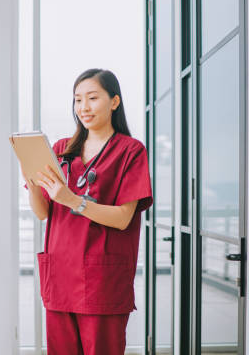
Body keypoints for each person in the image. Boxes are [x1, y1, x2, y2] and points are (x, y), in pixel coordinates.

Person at [22, 68, 153, 354]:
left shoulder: (131, 151)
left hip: (102, 280)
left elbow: (122, 219)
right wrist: (32, 183)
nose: (84, 107)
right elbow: (44, 213)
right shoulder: (61, 149)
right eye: (78, 100)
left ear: (114, 101)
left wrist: (72, 200)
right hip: (59, 276)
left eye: (92, 98)